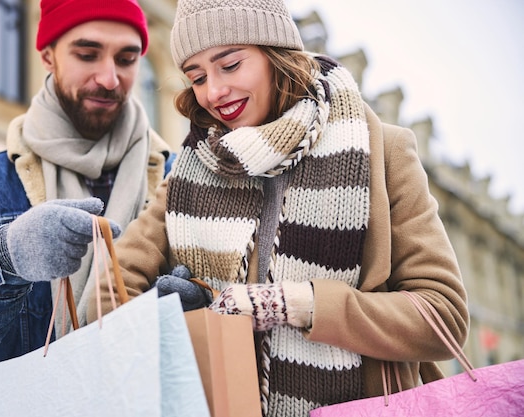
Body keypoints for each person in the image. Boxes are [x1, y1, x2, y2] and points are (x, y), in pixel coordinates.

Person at [88, 0, 470, 416]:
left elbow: (442, 317)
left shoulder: (383, 151)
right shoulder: (192, 169)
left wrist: (296, 304)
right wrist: (169, 319)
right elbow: (109, 294)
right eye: (196, 77)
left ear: (275, 55)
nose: (213, 92)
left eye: (230, 65)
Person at [0, 0, 172, 370]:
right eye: (87, 54)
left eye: (127, 59)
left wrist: (187, 305)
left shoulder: (175, 179)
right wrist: (7, 257)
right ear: (48, 56)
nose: (109, 78)